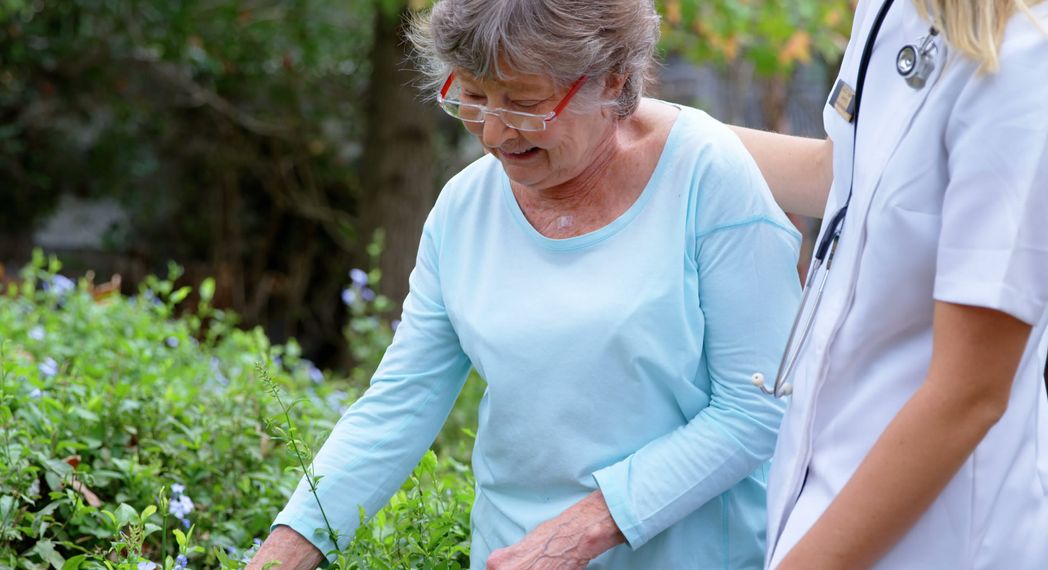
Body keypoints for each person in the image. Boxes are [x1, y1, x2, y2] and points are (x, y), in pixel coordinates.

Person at [248, 0, 802, 568]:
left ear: (611, 82)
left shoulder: (709, 178)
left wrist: (586, 527)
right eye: (473, 95)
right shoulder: (465, 208)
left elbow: (756, 410)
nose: (492, 131)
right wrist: (282, 553)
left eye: (524, 104)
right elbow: (399, 404)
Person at [730, 0, 1048, 567]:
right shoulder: (893, 9)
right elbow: (841, 177)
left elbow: (968, 396)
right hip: (820, 491)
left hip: (931, 533)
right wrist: (664, 132)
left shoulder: (1042, 55)